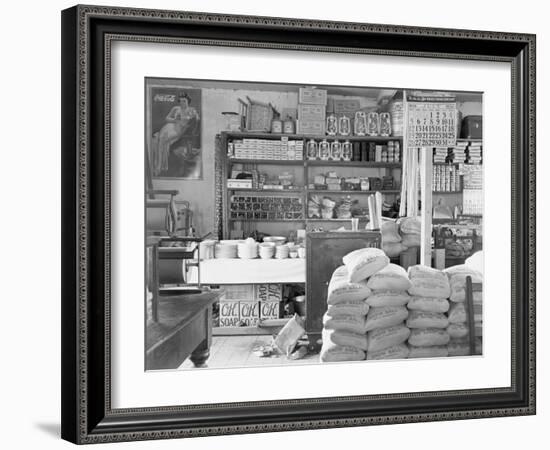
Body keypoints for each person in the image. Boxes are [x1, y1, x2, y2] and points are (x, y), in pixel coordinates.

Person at [154, 93, 200, 175]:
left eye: (184, 101)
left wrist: (192, 117)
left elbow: (196, 120)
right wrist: (175, 120)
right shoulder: (175, 108)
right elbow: (167, 118)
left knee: (164, 141)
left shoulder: (191, 110)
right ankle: (159, 166)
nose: (182, 103)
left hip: (180, 130)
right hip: (170, 127)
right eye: (181, 101)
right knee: (160, 140)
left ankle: (161, 165)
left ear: (188, 102)